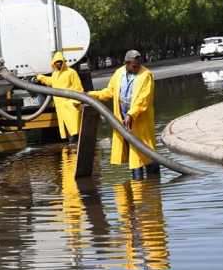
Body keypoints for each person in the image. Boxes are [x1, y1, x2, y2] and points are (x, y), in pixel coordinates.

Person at [88, 50, 159, 178]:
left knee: (147, 153)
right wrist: (90, 95)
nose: (137, 68)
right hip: (123, 122)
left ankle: (151, 187)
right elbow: (109, 92)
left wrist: (131, 114)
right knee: (134, 155)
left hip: (140, 122)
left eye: (138, 65)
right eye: (134, 66)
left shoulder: (146, 75)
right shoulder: (119, 73)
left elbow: (144, 99)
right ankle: (140, 186)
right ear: (126, 63)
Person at [36, 51, 84, 143]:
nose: (58, 64)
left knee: (74, 128)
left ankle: (76, 147)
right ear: (53, 63)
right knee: (68, 129)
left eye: (60, 62)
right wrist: (40, 77)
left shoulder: (71, 72)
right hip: (60, 107)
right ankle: (72, 147)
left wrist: (75, 102)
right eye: (56, 62)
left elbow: (78, 89)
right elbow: (51, 81)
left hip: (70, 106)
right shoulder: (55, 74)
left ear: (63, 62)